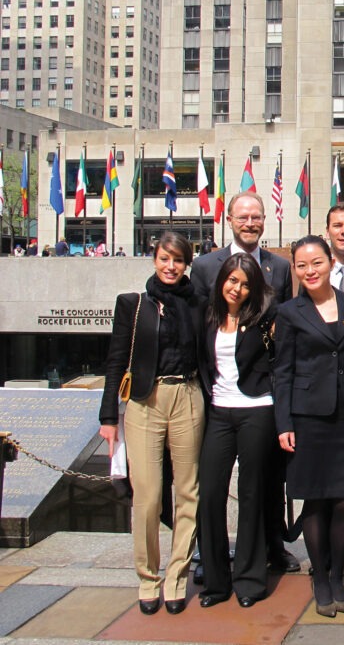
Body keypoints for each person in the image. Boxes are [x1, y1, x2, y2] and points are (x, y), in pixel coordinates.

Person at [97, 231, 206, 615]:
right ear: (154, 259)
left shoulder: (199, 304)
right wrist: (108, 415)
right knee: (147, 496)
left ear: (187, 262)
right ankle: (147, 578)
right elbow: (115, 362)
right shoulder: (134, 305)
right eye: (164, 258)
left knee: (188, 491)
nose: (170, 266)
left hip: (189, 397)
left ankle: (177, 575)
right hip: (145, 401)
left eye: (177, 260)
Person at [190, 192, 298, 575]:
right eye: (243, 217)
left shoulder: (280, 268)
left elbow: (283, 329)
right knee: (212, 486)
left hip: (261, 394)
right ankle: (209, 558)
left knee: (266, 480)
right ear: (230, 220)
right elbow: (200, 326)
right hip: (218, 394)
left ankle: (273, 547)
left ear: (264, 220)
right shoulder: (205, 266)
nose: (250, 223)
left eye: (256, 217)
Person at [274, 235, 344, 617]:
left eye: (316, 262)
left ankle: (338, 575)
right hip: (308, 416)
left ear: (330, 262)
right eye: (301, 265)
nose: (309, 271)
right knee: (315, 498)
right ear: (295, 269)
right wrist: (283, 421)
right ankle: (319, 577)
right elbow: (282, 371)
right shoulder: (289, 312)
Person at [196, 253, 277, 609]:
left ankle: (249, 580)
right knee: (210, 493)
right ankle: (215, 581)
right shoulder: (208, 316)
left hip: (256, 410)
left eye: (245, 283)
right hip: (218, 411)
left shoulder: (264, 319)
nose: (237, 288)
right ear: (222, 281)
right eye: (232, 280)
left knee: (251, 494)